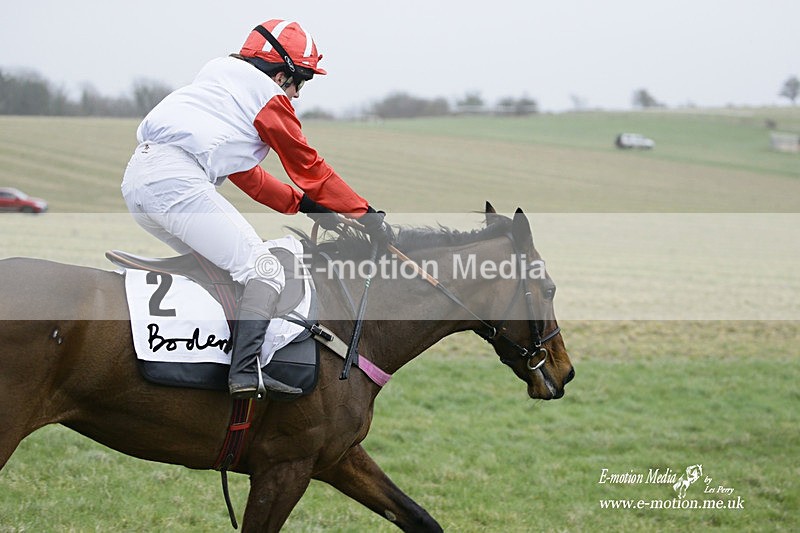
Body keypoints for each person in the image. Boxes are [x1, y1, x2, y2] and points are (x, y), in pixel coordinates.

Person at [121, 19, 391, 399]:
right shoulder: (268, 97)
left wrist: (303, 205)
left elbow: (248, 176)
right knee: (265, 269)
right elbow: (308, 166)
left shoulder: (220, 86)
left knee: (225, 271)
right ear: (282, 75)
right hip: (176, 184)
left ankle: (207, 355)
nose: (298, 94)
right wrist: (365, 215)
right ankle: (246, 372)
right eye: (302, 82)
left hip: (140, 182)